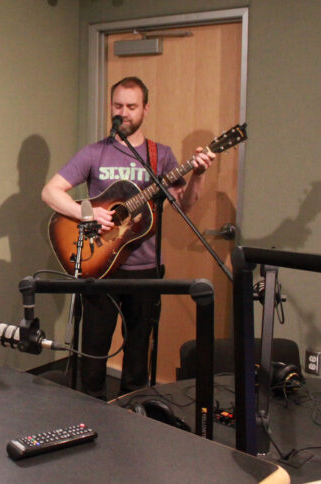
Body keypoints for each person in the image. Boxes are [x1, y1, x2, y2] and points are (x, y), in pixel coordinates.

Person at [41, 77, 216, 399]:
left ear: (145, 109)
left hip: (146, 269)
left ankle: (134, 413)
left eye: (131, 107)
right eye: (118, 106)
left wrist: (199, 175)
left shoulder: (159, 156)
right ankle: (87, 413)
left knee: (138, 352)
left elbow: (185, 205)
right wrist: (85, 213)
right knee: (93, 349)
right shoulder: (94, 153)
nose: (124, 113)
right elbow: (50, 191)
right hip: (100, 266)